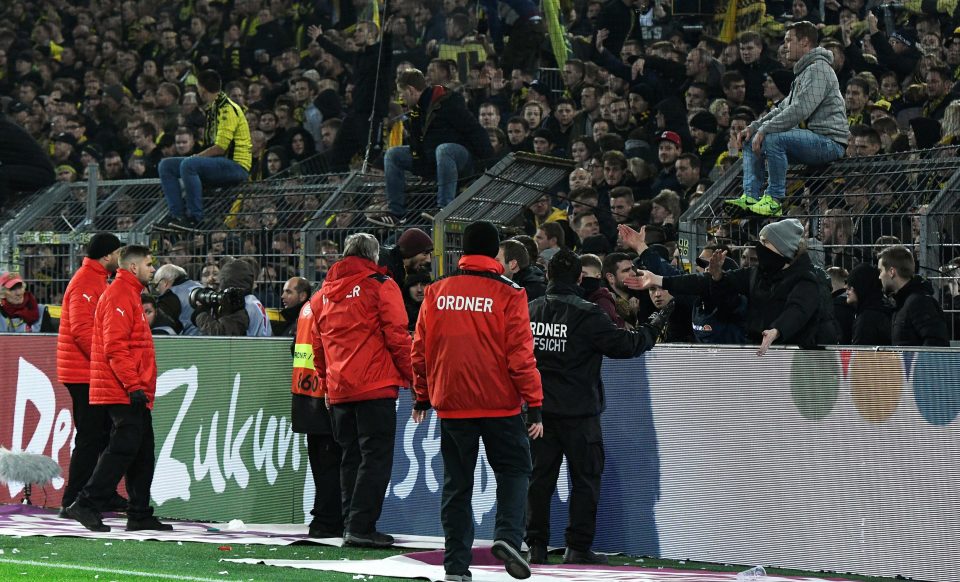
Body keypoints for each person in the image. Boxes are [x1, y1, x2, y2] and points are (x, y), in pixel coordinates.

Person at [411, 221, 544, 582]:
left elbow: (420, 350)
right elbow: (520, 356)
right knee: (515, 469)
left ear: (463, 251)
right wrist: (534, 402)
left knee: (457, 485)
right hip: (500, 404)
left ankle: (456, 568)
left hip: (452, 404)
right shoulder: (510, 293)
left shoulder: (437, 292)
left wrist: (422, 395)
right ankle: (508, 537)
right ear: (495, 251)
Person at [525, 250, 669, 566]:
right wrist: (653, 327)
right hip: (579, 415)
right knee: (585, 481)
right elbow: (626, 346)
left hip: (540, 414)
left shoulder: (529, 310)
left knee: (539, 482)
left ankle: (535, 546)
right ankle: (576, 548)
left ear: (548, 276)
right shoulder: (587, 314)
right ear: (580, 278)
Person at [312, 233, 413, 548]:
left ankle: (351, 525)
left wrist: (328, 384)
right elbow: (397, 337)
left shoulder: (322, 295)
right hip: (375, 386)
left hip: (340, 391)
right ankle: (361, 526)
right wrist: (417, 379)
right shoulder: (381, 286)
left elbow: (318, 348)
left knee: (350, 458)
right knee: (375, 457)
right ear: (374, 258)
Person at [64, 245, 171, 533]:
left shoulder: (129, 293)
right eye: (150, 264)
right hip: (122, 387)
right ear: (133, 267)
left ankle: (139, 513)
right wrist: (133, 385)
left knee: (142, 451)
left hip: (129, 387)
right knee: (123, 448)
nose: (153, 268)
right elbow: (115, 348)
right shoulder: (120, 295)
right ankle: (86, 502)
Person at [629, 219, 837, 354]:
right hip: (761, 354)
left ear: (782, 249)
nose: (759, 247)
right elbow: (700, 282)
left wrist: (777, 331)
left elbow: (798, 309)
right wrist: (659, 279)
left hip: (800, 358)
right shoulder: (757, 274)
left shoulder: (808, 279)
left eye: (765, 243)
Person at [725, 21, 848, 218]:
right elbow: (783, 107)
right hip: (811, 139)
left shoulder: (819, 69)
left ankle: (774, 200)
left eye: (789, 40)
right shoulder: (804, 71)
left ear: (805, 42)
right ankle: (750, 197)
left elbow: (800, 110)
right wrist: (754, 127)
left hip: (829, 142)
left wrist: (765, 130)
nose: (785, 46)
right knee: (750, 138)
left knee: (773, 138)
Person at [57, 233, 125, 516]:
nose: (121, 258)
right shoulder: (87, 281)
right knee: (91, 436)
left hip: (88, 370)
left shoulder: (94, 279)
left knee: (102, 435)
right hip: (83, 372)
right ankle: (74, 498)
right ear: (107, 256)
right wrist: (105, 359)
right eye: (118, 253)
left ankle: (99, 493)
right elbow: (82, 330)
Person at [373, 68, 493, 226]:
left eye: (401, 93)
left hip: (461, 159)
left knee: (443, 150)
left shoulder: (448, 100)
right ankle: (397, 213)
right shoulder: (415, 112)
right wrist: (420, 167)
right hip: (433, 160)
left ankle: (444, 208)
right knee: (392, 154)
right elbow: (416, 144)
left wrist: (489, 162)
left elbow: (473, 128)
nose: (400, 98)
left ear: (410, 90)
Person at [158, 69, 252, 230]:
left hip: (236, 165)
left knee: (189, 164)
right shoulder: (214, 108)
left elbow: (221, 148)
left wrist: (194, 157)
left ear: (201, 88)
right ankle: (177, 216)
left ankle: (195, 218)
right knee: (166, 165)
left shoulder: (227, 109)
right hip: (219, 163)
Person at [291, 285, 343, 539]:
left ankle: (323, 518)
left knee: (321, 464)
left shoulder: (308, 306)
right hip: (326, 394)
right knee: (334, 463)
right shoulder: (330, 305)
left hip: (304, 393)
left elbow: (295, 348)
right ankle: (328, 520)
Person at [877, 246, 949, 346]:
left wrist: (915, 362)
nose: (879, 276)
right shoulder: (902, 303)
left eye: (881, 271)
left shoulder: (919, 302)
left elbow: (936, 345)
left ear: (891, 272)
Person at [193, 259, 271, 337]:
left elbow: (222, 335)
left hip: (250, 348)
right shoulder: (251, 300)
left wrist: (201, 314)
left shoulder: (238, 302)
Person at [845, 263, 892, 345]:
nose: (847, 288)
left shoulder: (866, 320)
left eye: (852, 284)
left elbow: (860, 355)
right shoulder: (882, 310)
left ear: (862, 287)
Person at [154, 264, 202, 335]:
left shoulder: (169, 297)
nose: (157, 290)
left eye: (157, 285)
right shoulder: (201, 287)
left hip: (190, 343)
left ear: (165, 282)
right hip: (216, 340)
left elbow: (162, 329)